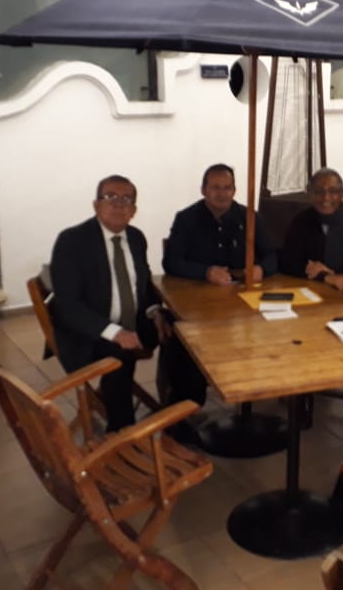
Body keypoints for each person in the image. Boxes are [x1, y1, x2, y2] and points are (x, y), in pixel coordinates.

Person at [49, 175, 171, 432]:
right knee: (119, 355)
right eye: (110, 197)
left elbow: (144, 283)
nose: (118, 204)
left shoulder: (136, 238)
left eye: (127, 199)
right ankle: (121, 431)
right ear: (96, 205)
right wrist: (116, 333)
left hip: (133, 320)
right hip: (89, 332)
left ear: (134, 210)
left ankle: (178, 410)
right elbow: (68, 306)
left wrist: (156, 312)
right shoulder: (72, 241)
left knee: (179, 332)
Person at [279, 168, 343, 316]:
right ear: (310, 194)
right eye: (319, 191)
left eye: (333, 191)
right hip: (309, 302)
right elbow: (287, 262)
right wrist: (325, 276)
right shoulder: (301, 222)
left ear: (342, 194)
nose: (326, 197)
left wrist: (334, 277)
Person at [162, 163, 277, 284]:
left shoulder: (251, 218)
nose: (222, 194)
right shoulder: (185, 219)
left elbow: (271, 256)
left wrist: (261, 269)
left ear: (234, 191)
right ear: (203, 190)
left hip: (243, 288)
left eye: (227, 188)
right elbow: (171, 262)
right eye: (215, 188)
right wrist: (206, 272)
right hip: (199, 289)